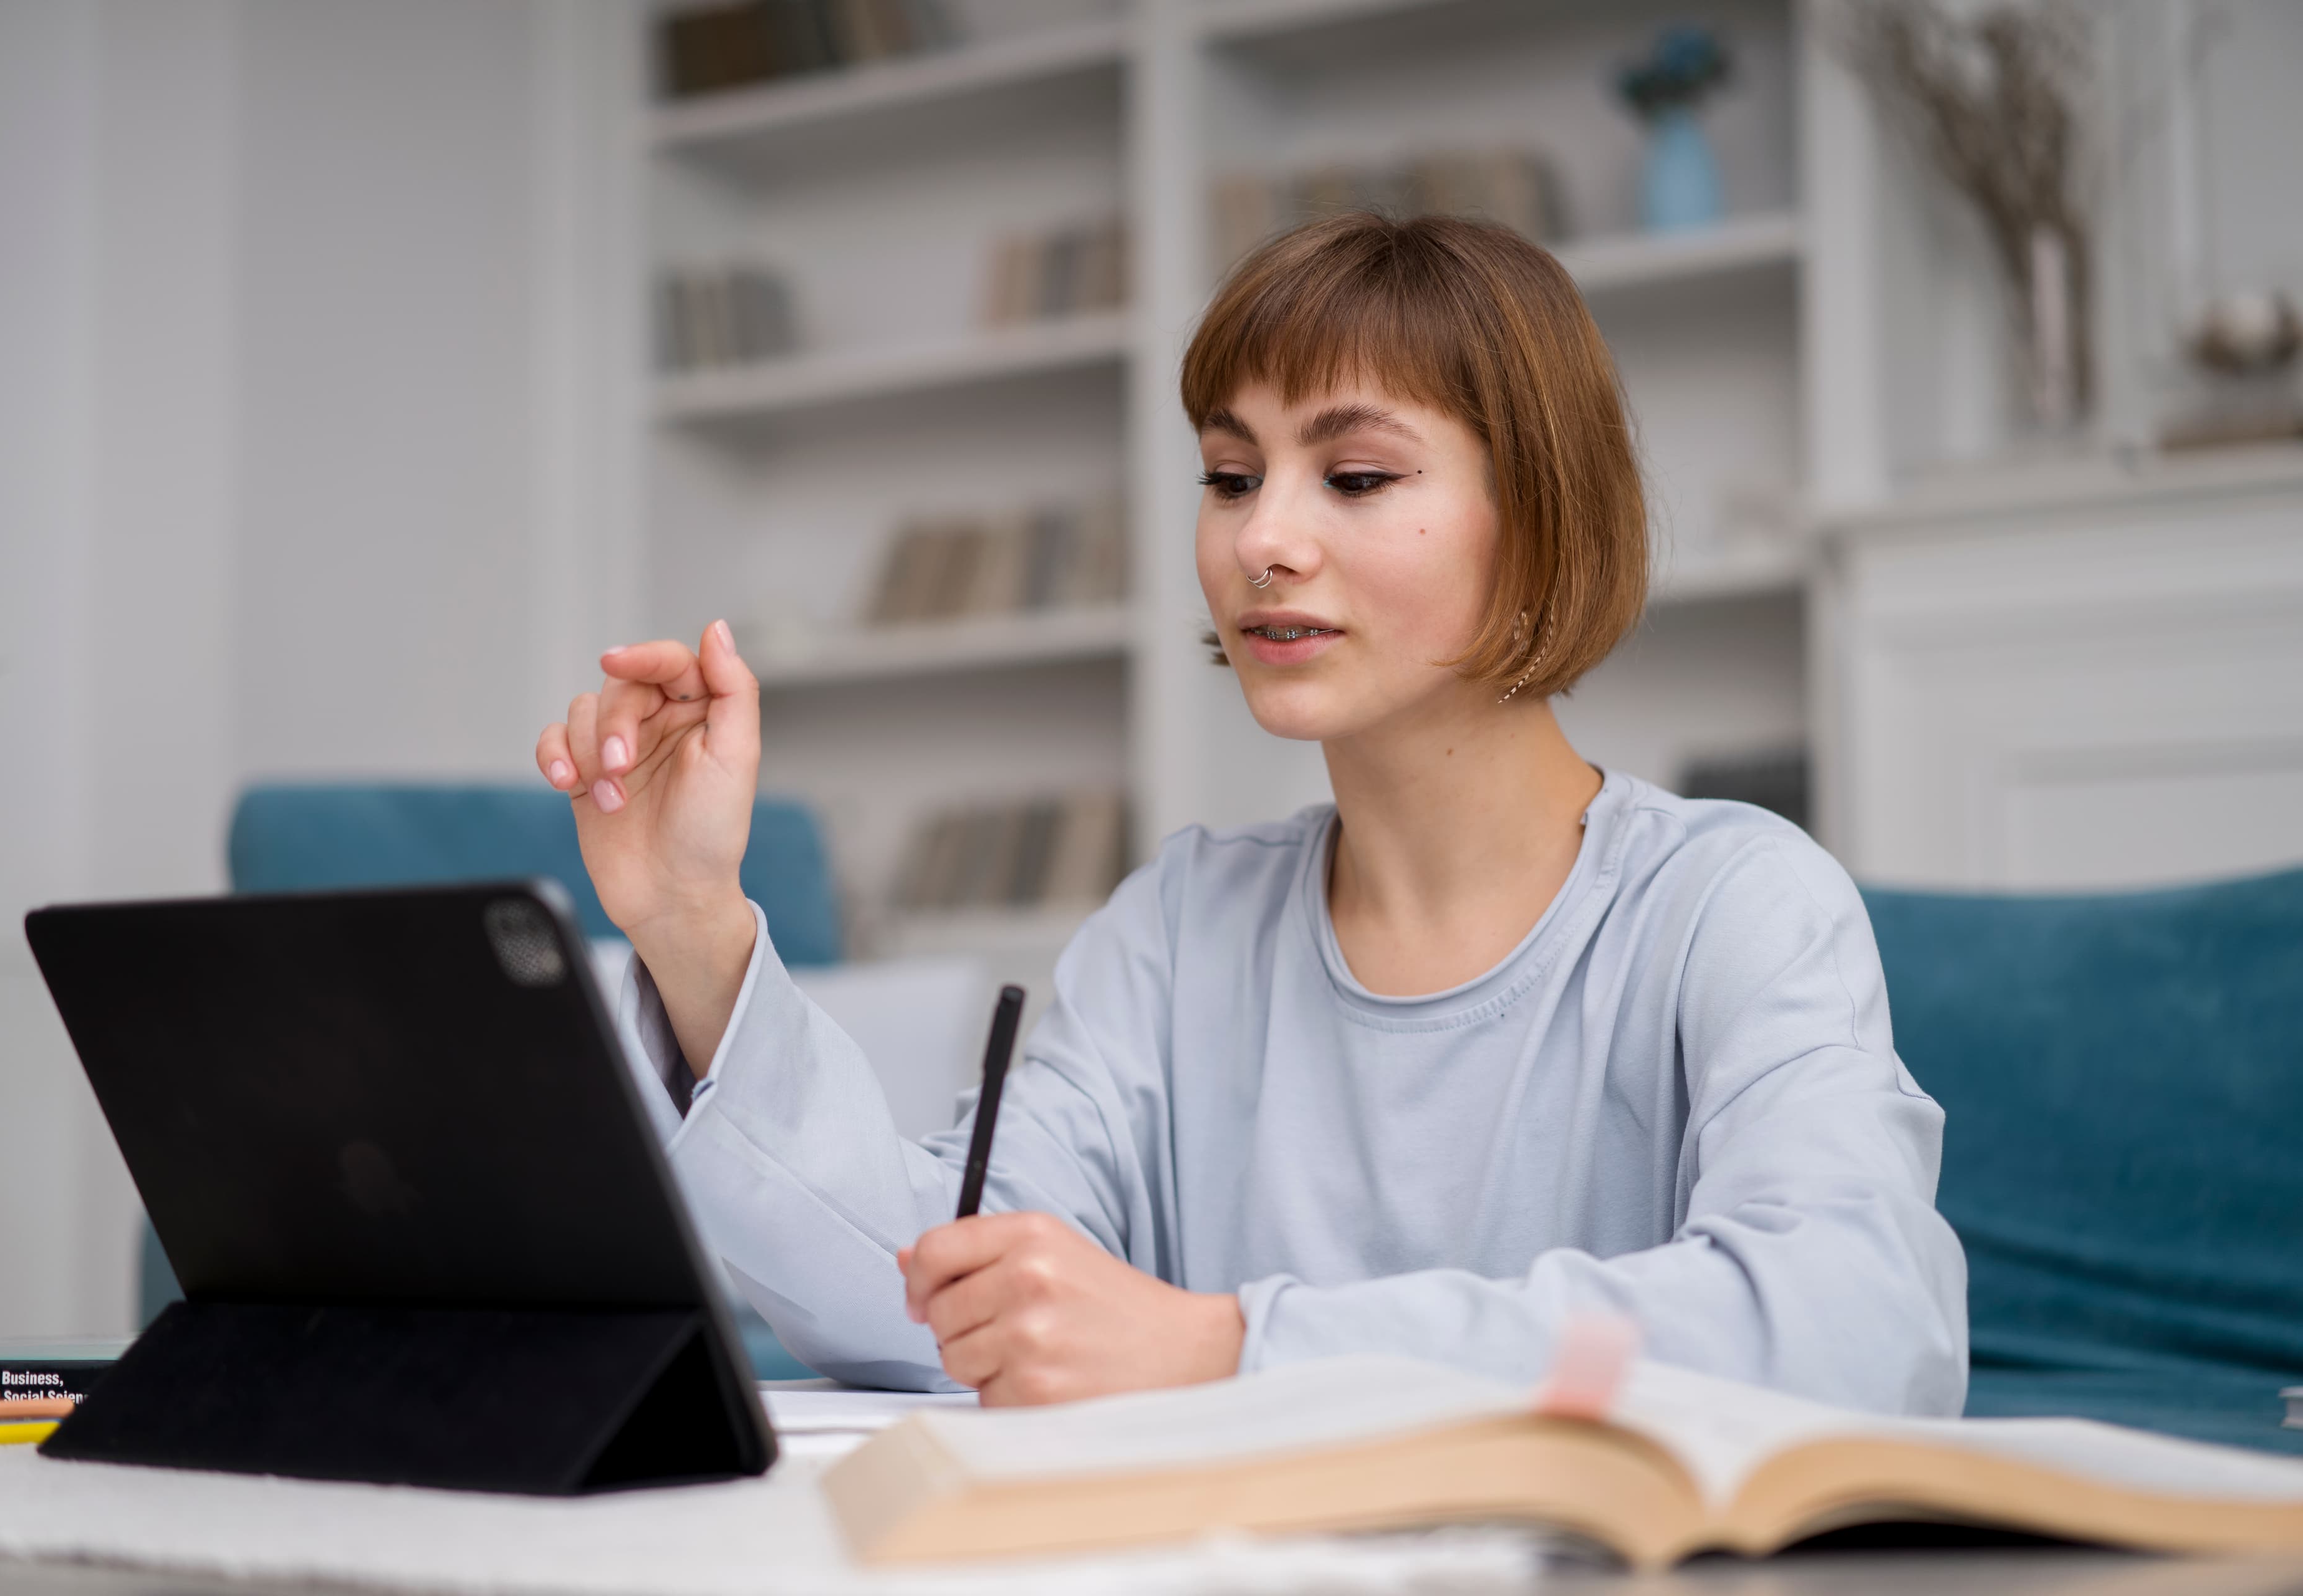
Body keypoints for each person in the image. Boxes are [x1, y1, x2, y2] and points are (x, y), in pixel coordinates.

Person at [534, 214, 1969, 1415]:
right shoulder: (1181, 926)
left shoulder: (1735, 901)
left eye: (1354, 476)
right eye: (1231, 476)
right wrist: (692, 924)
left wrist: (1229, 1346)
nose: (1261, 538)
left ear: (1539, 521)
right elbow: (942, 1300)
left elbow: (1856, 1323)